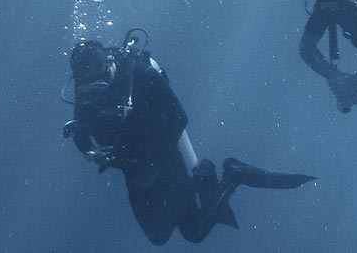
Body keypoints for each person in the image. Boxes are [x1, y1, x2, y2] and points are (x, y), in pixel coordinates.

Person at [66, 34, 315, 245]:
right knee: (158, 236)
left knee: (194, 231)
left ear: (109, 63)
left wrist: (150, 160)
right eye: (87, 83)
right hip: (132, 165)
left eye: (99, 77)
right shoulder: (87, 92)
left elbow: (178, 119)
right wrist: (93, 152)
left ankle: (229, 175)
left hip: (165, 155)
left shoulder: (141, 74)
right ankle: (210, 180)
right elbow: (81, 133)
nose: (96, 88)